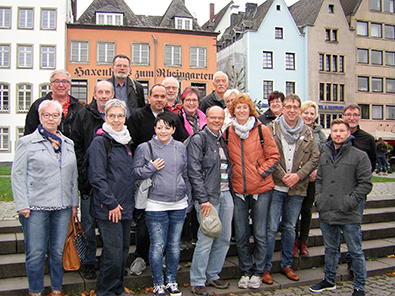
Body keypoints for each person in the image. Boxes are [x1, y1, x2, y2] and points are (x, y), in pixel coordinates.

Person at [11, 100, 79, 296]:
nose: (51, 118)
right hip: (35, 207)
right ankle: (35, 291)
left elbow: (72, 176)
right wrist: (22, 204)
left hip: (63, 206)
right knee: (36, 253)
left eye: (55, 115)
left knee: (57, 252)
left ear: (60, 118)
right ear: (40, 117)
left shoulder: (68, 143)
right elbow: (18, 175)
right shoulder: (27, 142)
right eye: (46, 115)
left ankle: (56, 289)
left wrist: (74, 203)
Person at [126, 84, 188, 276]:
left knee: (166, 232)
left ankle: (162, 260)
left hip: (170, 181)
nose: (160, 99)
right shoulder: (137, 116)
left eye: (163, 96)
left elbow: (184, 139)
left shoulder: (172, 117)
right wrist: (146, 163)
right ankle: (140, 257)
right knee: (144, 224)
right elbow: (130, 142)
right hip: (146, 178)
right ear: (149, 97)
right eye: (156, 96)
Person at [309, 119, 372, 296]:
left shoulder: (359, 156)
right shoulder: (325, 155)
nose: (338, 134)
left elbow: (365, 184)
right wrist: (319, 199)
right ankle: (329, 279)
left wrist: (349, 202)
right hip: (327, 210)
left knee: (355, 250)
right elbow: (319, 180)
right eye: (335, 130)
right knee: (330, 248)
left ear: (348, 133)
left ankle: (359, 286)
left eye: (341, 131)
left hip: (348, 212)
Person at [224, 94, 280, 289]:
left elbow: (274, 157)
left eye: (244, 107)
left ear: (250, 110)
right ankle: (246, 271)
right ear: (233, 111)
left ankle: (258, 271)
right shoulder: (228, 132)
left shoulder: (262, 130)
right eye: (237, 108)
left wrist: (259, 173)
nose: (241, 111)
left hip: (261, 189)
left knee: (260, 233)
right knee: (240, 234)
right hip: (238, 190)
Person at [264, 94, 319, 283]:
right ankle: (266, 267)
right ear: (283, 108)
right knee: (271, 228)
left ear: (299, 109)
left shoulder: (308, 131)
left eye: (296, 107)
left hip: (297, 187)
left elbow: (314, 157)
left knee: (289, 227)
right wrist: (283, 176)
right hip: (276, 186)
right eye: (289, 106)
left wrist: (298, 176)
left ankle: (287, 264)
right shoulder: (272, 128)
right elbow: (267, 155)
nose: (292, 110)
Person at [133, 112, 191, 296]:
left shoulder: (181, 147)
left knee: (174, 245)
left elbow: (186, 173)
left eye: (167, 127)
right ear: (154, 128)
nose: (163, 131)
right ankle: (158, 282)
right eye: (159, 127)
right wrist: (151, 167)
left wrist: (187, 196)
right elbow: (135, 173)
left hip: (179, 203)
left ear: (174, 129)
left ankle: (171, 280)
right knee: (158, 245)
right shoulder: (144, 147)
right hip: (155, 203)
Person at [88, 99, 135, 296]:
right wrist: (111, 204)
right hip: (109, 207)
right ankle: (105, 291)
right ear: (105, 117)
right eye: (112, 116)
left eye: (120, 116)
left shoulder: (126, 142)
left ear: (125, 118)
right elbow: (97, 178)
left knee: (122, 251)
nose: (116, 120)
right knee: (113, 253)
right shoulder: (101, 142)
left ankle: (117, 287)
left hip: (124, 206)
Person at [70, 80, 115, 279]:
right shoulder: (83, 115)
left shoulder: (117, 114)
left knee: (108, 227)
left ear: (113, 94)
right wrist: (83, 170)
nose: (104, 95)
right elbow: (76, 146)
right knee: (88, 224)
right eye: (100, 92)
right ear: (94, 94)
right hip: (89, 181)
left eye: (108, 92)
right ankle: (88, 262)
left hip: (111, 182)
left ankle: (108, 263)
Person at [188, 106, 234, 296]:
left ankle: (213, 274)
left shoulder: (221, 139)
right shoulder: (199, 139)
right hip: (208, 197)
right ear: (206, 118)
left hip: (225, 194)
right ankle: (197, 280)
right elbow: (194, 171)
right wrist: (203, 199)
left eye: (220, 117)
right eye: (213, 117)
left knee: (224, 237)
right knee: (206, 238)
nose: (216, 120)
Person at [339, 104, 376, 274]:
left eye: (355, 114)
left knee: (354, 229)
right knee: (337, 228)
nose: (351, 117)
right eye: (348, 114)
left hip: (357, 193)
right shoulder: (336, 136)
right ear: (343, 116)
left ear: (359, 117)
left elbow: (371, 166)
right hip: (338, 191)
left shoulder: (367, 139)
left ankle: (353, 261)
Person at [294, 100, 327, 257]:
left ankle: (303, 242)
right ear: (301, 113)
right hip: (297, 177)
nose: (308, 116)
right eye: (306, 112)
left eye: (312, 113)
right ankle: (293, 242)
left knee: (307, 211)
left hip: (313, 178)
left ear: (316, 116)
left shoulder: (320, 134)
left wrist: (317, 171)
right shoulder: (295, 129)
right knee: (294, 211)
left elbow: (324, 155)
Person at [24, 69, 84, 137]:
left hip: (71, 146)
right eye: (57, 81)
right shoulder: (38, 105)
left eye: (64, 82)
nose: (61, 85)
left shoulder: (78, 107)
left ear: (69, 85)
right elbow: (29, 132)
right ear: (51, 85)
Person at [107, 53, 145, 118]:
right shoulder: (104, 86)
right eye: (119, 65)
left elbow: (142, 109)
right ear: (112, 68)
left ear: (129, 69)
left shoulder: (137, 87)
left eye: (125, 66)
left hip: (131, 125)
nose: (122, 68)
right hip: (110, 124)